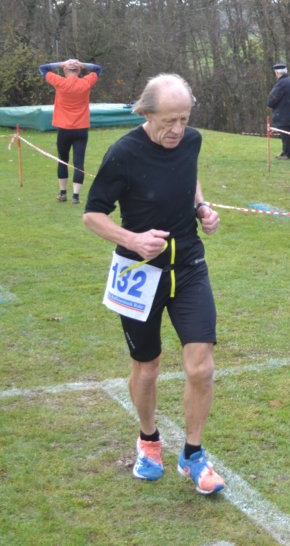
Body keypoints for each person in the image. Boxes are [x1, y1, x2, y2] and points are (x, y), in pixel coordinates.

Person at [83, 74, 225, 495]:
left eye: (183, 119)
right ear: (147, 113)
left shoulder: (192, 141)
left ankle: (193, 455)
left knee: (201, 366)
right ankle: (149, 441)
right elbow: (93, 214)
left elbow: (189, 176)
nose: (177, 130)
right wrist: (132, 240)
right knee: (147, 368)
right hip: (138, 273)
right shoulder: (123, 153)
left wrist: (202, 207)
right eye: (168, 121)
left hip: (189, 266)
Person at [40, 58, 102, 204]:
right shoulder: (86, 82)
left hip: (64, 129)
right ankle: (76, 196)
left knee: (63, 160)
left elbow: (43, 68)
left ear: (64, 71)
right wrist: (82, 64)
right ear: (79, 71)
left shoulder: (59, 82)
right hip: (81, 128)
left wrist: (62, 63)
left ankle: (62, 193)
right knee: (79, 162)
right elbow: (98, 69)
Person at [268, 63, 290, 160]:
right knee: (286, 135)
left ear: (277, 72)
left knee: (285, 135)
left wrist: (270, 103)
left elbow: (273, 98)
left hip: (283, 114)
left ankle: (288, 155)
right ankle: (285, 152)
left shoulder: (282, 83)